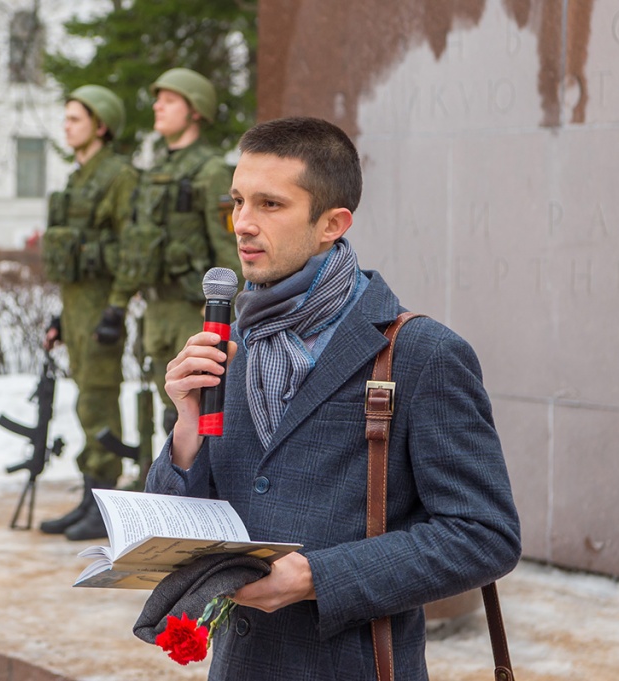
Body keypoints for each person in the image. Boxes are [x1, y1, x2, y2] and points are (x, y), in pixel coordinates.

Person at [149, 117, 521, 680]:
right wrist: (185, 432)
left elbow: (483, 536)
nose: (242, 224)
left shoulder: (422, 353)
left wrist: (315, 578)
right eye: (238, 201)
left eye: (270, 205)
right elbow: (191, 516)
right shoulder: (228, 344)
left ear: (332, 223)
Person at [101, 68, 242, 436]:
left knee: (195, 411)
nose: (157, 106)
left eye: (169, 100)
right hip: (157, 309)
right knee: (168, 413)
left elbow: (229, 247)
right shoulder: (156, 169)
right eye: (157, 99)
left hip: (192, 311)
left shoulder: (211, 171)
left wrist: (224, 315)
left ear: (194, 110)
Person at [38, 85, 138, 541]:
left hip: (101, 306)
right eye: (66, 117)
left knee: (98, 400)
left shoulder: (118, 176)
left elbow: (130, 246)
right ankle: (89, 497)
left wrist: (116, 307)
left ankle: (107, 502)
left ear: (101, 125)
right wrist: (61, 316)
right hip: (77, 306)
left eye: (75, 118)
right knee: (84, 402)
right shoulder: (78, 178)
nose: (67, 125)